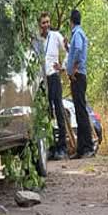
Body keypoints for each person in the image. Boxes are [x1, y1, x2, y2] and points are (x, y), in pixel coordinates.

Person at [37, 12, 68, 160]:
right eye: (43, 23)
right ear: (39, 25)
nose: (46, 25)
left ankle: (62, 147)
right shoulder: (36, 40)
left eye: (48, 22)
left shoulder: (55, 36)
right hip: (42, 81)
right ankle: (50, 147)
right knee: (47, 113)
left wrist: (63, 67)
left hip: (54, 77)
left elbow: (69, 49)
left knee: (59, 110)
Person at [66, 9, 96, 159]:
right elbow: (74, 50)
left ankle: (88, 147)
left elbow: (77, 50)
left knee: (81, 112)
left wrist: (74, 67)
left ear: (71, 21)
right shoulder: (78, 34)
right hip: (76, 76)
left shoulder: (77, 34)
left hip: (78, 76)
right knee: (78, 111)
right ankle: (81, 149)